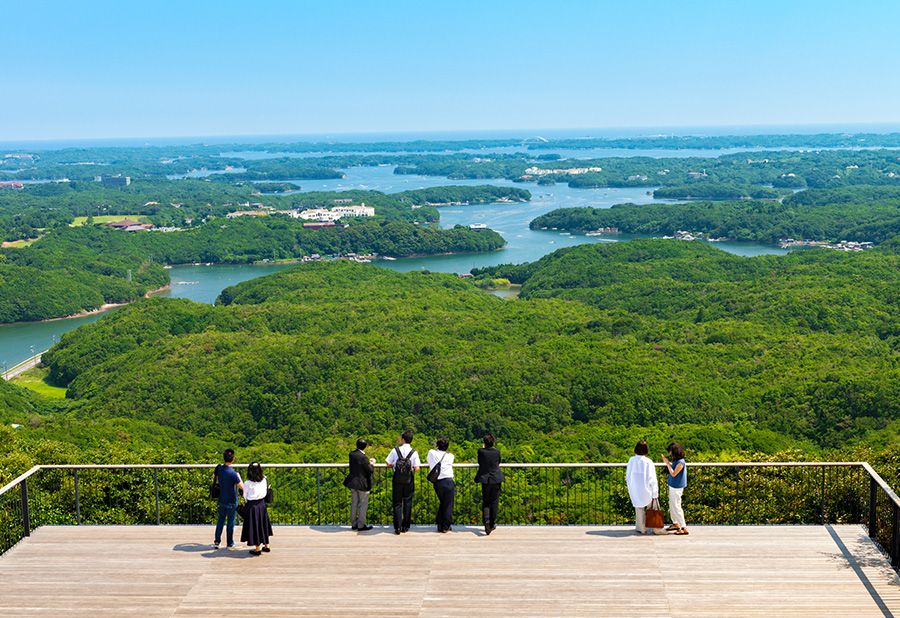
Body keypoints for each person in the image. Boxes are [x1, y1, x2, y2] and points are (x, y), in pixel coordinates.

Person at [385, 430, 421, 534]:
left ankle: (397, 527)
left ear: (403, 439)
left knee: (397, 503)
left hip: (397, 479)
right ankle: (406, 526)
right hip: (408, 480)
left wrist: (393, 466)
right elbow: (417, 468)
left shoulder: (395, 450)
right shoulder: (414, 452)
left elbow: (388, 463)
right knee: (407, 502)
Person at [625, 441, 660, 535]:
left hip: (635, 489)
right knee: (652, 508)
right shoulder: (648, 462)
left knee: (639, 509)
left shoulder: (631, 460)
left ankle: (641, 528)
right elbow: (652, 478)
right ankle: (655, 528)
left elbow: (627, 476)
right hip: (647, 489)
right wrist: (655, 493)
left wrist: (630, 487)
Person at [240, 462, 273, 555]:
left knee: (255, 526)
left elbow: (245, 496)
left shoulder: (247, 483)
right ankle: (267, 546)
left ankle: (257, 548)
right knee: (263, 525)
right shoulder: (264, 480)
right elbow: (265, 492)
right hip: (262, 504)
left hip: (252, 506)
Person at [474, 432, 504, 535]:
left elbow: (480, 462)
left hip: (485, 479)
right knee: (494, 502)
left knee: (486, 501)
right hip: (496, 479)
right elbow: (498, 462)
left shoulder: (481, 451)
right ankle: (492, 524)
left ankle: (486, 521)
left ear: (484, 442)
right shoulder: (497, 452)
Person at [213, 448, 243, 549]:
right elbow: (241, 487)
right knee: (230, 522)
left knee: (220, 520)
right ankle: (230, 543)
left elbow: (214, 476)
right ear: (233, 459)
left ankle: (217, 541)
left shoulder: (219, 468)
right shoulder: (233, 474)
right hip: (231, 500)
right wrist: (239, 477)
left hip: (222, 498)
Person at [343, 438, 375, 532]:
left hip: (353, 482)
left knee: (354, 503)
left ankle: (354, 523)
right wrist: (372, 463)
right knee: (363, 504)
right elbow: (370, 470)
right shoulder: (363, 457)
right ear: (365, 447)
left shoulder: (351, 454)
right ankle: (361, 525)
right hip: (362, 484)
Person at [427, 437, 456, 533]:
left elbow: (430, 455)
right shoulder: (450, 456)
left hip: (438, 483)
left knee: (443, 503)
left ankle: (440, 524)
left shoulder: (431, 453)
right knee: (448, 504)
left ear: (437, 445)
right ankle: (445, 526)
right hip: (448, 481)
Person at [663, 442, 689, 535]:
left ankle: (683, 527)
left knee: (677, 506)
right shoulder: (676, 460)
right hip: (673, 486)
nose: (669, 454)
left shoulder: (681, 462)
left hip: (677, 487)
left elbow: (674, 474)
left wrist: (667, 464)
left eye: (670, 451)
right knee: (672, 505)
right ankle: (675, 523)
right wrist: (669, 463)